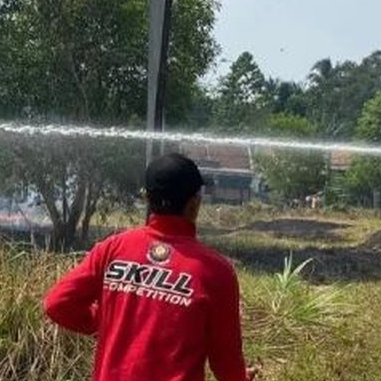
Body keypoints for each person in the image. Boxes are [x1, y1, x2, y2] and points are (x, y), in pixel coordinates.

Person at [43, 152, 256, 381]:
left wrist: (107, 322)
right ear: (194, 203)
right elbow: (226, 358)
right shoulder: (215, 271)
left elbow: (57, 304)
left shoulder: (113, 249)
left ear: (147, 198)